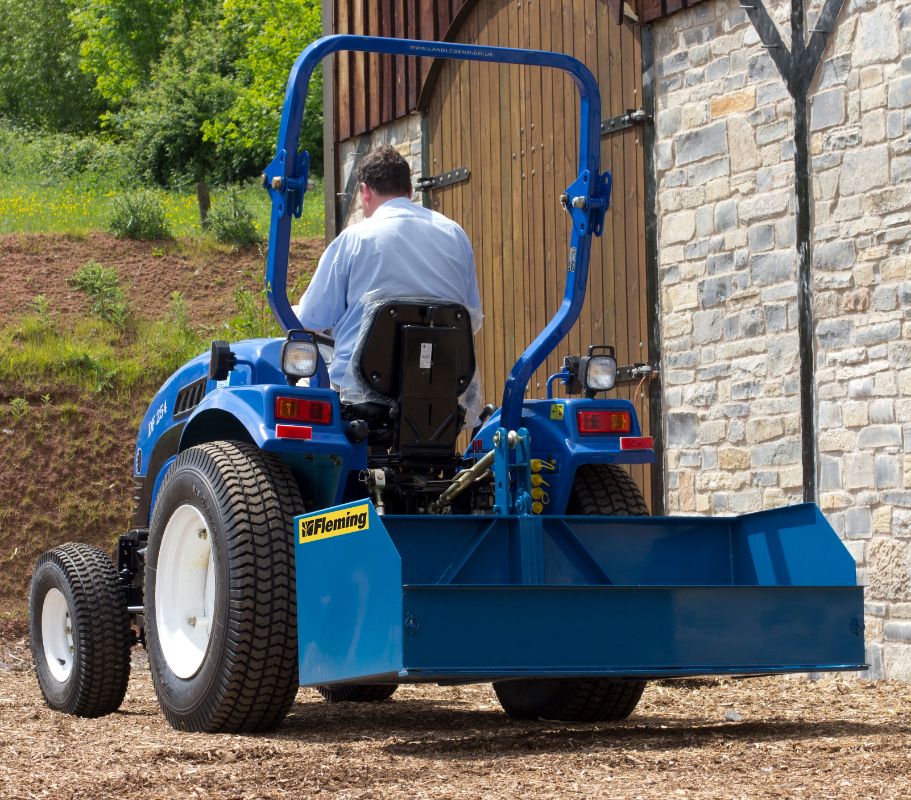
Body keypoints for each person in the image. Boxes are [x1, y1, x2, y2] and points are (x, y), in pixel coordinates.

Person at [294, 145, 482, 395]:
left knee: (302, 386)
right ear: (410, 191)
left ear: (364, 192)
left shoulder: (354, 239)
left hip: (361, 396)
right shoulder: (455, 234)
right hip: (439, 392)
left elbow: (308, 321)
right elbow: (471, 320)